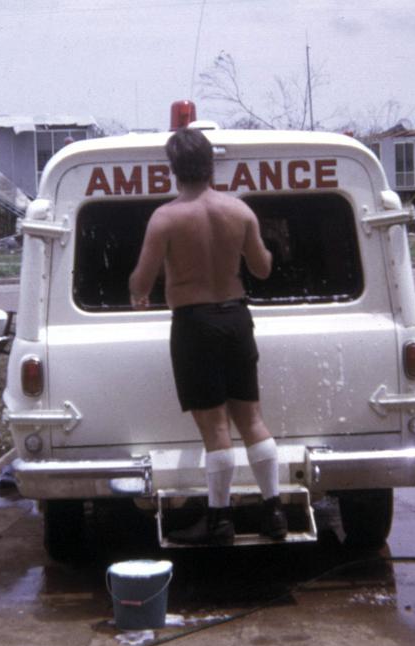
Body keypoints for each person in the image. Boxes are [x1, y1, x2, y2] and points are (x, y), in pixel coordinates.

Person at [129, 127, 286, 545]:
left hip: (194, 324)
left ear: (173, 170)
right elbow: (263, 269)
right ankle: (273, 512)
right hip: (236, 317)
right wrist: (266, 247)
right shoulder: (239, 212)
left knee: (215, 426)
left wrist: (137, 293)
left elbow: (141, 283)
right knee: (251, 419)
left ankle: (220, 520)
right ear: (211, 165)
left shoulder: (165, 217)